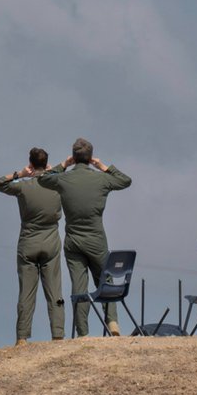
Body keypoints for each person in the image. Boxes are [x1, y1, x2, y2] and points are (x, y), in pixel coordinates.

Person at [39, 138, 132, 337]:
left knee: (79, 286)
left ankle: (83, 332)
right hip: (97, 239)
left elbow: (43, 178)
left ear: (74, 157)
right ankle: (112, 322)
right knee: (105, 279)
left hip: (73, 239)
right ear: (90, 158)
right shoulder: (101, 179)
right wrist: (102, 166)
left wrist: (63, 165)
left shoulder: (63, 179)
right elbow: (126, 180)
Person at [0, 147, 65, 346]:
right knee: (55, 291)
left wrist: (19, 174)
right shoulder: (58, 185)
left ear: (31, 164)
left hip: (28, 242)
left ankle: (22, 337)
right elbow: (68, 176)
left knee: (26, 293)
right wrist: (53, 172)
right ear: (46, 163)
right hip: (51, 241)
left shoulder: (23, 186)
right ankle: (58, 335)